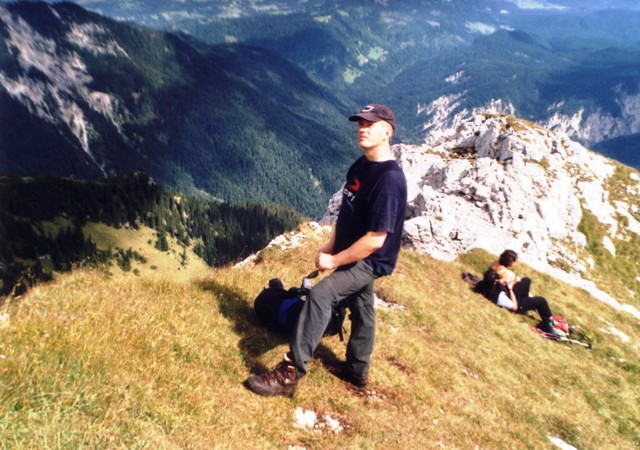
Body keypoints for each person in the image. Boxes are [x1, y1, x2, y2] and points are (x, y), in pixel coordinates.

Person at [244, 104, 407, 396]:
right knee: (362, 308)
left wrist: (334, 259)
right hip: (352, 249)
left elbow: (375, 240)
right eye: (360, 123)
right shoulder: (361, 166)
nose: (362, 128)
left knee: (322, 294)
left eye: (370, 124)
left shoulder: (389, 180)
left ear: (387, 131)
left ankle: (290, 374)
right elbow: (348, 212)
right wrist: (331, 244)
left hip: (369, 259)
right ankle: (357, 371)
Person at [482, 250, 554, 327]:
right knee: (541, 300)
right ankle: (548, 320)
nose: (515, 262)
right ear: (509, 262)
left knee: (526, 280)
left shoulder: (495, 264)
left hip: (508, 292)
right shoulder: (505, 273)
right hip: (513, 299)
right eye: (514, 261)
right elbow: (507, 287)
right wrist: (514, 281)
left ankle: (526, 301)